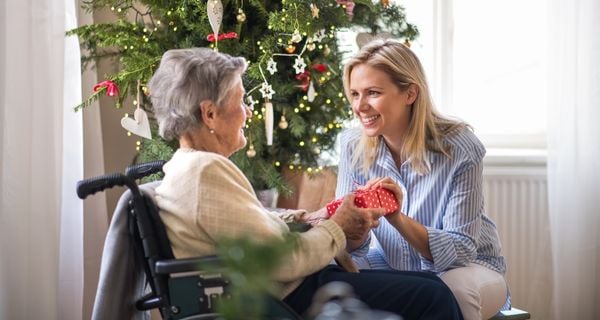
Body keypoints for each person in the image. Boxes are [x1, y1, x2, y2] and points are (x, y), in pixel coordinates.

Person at [148, 47, 463, 319]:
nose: (247, 112)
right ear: (210, 114)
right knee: (433, 296)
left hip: (286, 289)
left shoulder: (189, 167)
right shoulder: (205, 171)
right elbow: (284, 261)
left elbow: (244, 224)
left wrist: (309, 217)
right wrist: (338, 225)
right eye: (241, 101)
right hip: (284, 298)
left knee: (432, 286)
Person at [336, 39, 509, 320]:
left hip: (469, 268)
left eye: (373, 93)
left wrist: (397, 218)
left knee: (453, 290)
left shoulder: (460, 147)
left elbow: (461, 250)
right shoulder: (351, 145)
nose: (360, 106)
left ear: (410, 94)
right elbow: (349, 245)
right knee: (341, 280)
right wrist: (355, 225)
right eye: (355, 94)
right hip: (391, 263)